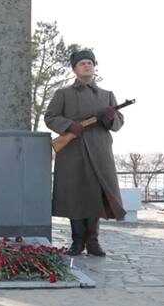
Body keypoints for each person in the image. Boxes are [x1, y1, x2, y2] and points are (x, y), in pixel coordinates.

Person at [44, 49, 126, 257]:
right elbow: (51, 117)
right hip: (72, 150)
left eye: (90, 63)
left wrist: (109, 117)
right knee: (75, 196)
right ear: (74, 69)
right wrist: (69, 125)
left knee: (96, 197)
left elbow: (117, 124)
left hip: (100, 151)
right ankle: (77, 242)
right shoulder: (63, 94)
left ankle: (93, 242)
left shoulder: (107, 95)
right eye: (82, 63)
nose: (87, 66)